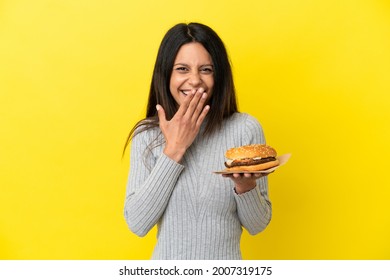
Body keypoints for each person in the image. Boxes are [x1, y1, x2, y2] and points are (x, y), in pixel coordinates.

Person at [123, 22, 272, 260]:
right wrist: (174, 149)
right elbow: (137, 223)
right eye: (182, 69)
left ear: (219, 75)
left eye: (206, 70)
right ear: (166, 74)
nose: (194, 81)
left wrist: (245, 187)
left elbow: (258, 225)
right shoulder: (148, 135)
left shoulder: (244, 129)